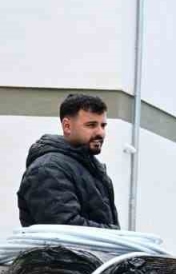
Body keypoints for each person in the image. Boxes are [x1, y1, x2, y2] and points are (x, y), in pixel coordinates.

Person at [17, 93, 119, 229]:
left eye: (103, 125)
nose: (100, 132)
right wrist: (115, 234)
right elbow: (65, 229)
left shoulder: (91, 167)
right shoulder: (48, 169)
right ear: (67, 126)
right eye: (91, 125)